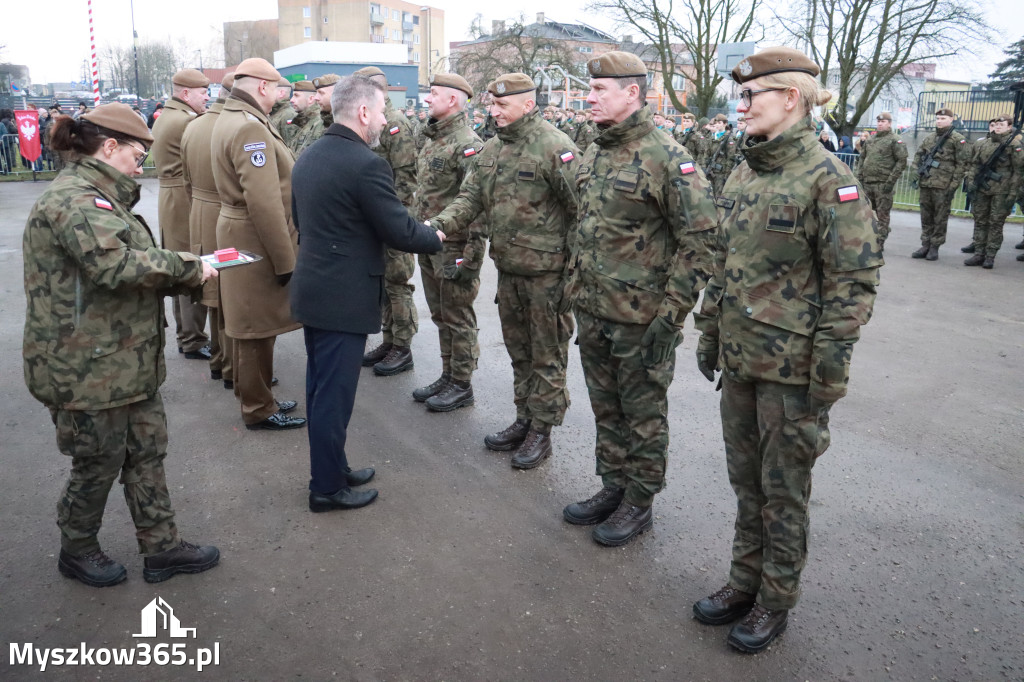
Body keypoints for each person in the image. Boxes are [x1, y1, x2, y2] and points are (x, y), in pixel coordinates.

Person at [692, 47, 881, 653]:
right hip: (743, 360)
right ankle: (743, 581)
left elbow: (853, 287)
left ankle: (775, 598)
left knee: (783, 489)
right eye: (740, 96)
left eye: (751, 97)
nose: (740, 106)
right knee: (746, 481)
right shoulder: (747, 171)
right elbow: (725, 264)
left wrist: (828, 371)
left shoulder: (831, 181)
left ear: (791, 99)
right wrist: (710, 331)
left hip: (793, 373)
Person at [23, 103, 221, 587]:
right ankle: (78, 546)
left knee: (146, 451)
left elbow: (129, 262)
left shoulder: (100, 196)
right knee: (98, 462)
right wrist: (188, 267)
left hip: (119, 359)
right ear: (109, 147)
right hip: (85, 367)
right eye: (137, 152)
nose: (141, 163)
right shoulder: (77, 200)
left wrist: (180, 267)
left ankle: (162, 547)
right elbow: (114, 267)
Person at [562, 52, 717, 546]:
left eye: (599, 90)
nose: (589, 97)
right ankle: (613, 486)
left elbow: (701, 244)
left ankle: (640, 501)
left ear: (632, 93)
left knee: (642, 413)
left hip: (641, 318)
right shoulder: (596, 150)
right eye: (591, 89)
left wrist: (670, 318)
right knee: (606, 407)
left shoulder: (669, 158)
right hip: (593, 308)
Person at [290, 75, 444, 513]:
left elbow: (301, 218)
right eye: (379, 110)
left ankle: (333, 468)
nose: (382, 119)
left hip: (315, 288)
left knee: (322, 392)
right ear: (362, 113)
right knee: (333, 399)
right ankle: (326, 488)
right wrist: (436, 234)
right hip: (343, 297)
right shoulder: (366, 163)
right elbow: (399, 229)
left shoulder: (311, 154)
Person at [430, 73, 579, 466]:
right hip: (510, 272)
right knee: (520, 353)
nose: (493, 112)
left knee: (547, 356)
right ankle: (524, 419)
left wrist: (574, 276)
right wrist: (435, 226)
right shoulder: (493, 149)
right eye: (491, 105)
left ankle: (542, 432)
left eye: (502, 106)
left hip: (548, 276)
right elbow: (469, 198)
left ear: (527, 105)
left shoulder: (555, 147)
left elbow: (581, 214)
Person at [212, 58, 305, 430]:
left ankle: (258, 396)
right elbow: (264, 203)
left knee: (250, 322)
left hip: (240, 232)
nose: (280, 95)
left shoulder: (232, 118)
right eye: (277, 88)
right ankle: (257, 407)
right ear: (263, 87)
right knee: (254, 327)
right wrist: (285, 261)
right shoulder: (250, 129)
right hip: (254, 238)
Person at [406, 73, 486, 413]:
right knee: (440, 314)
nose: (427, 98)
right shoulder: (433, 138)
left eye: (434, 93)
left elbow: (477, 203)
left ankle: (462, 383)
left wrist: (471, 256)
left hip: (454, 245)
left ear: (453, 100)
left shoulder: (469, 144)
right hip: (429, 241)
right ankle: (448, 373)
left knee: (458, 316)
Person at [350, 66, 420, 377]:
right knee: (384, 284)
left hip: (393, 216)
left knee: (398, 283)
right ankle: (389, 341)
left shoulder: (395, 125)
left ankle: (402, 347)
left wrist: (393, 218)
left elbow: (406, 179)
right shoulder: (368, 119)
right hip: (376, 216)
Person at [152, 69, 212, 363]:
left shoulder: (168, 116)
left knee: (178, 266)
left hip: (171, 198)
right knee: (192, 269)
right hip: (184, 198)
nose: (207, 97)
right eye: (203, 92)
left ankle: (186, 336)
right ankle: (193, 339)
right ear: (185, 93)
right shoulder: (187, 121)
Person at [181, 73, 236, 389]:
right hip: (226, 217)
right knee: (233, 296)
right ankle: (231, 366)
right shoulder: (233, 127)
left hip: (200, 213)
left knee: (213, 295)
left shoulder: (194, 125)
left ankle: (218, 360)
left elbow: (186, 181)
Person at [963, 113, 1024, 269]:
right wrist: (971, 181)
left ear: (1009, 127)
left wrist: (1012, 193)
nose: (997, 127)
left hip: (1001, 191)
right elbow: (975, 164)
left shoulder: (1014, 145)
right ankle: (979, 253)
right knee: (980, 221)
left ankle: (990, 255)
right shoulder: (984, 144)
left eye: (1001, 125)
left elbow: (1019, 171)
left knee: (995, 223)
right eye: (996, 125)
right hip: (982, 188)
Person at [912, 107, 970, 261]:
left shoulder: (958, 139)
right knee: (926, 216)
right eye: (938, 119)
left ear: (951, 120)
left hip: (943, 185)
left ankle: (934, 247)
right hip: (927, 183)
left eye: (943, 119)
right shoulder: (929, 138)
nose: (939, 121)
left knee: (940, 218)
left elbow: (962, 164)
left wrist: (953, 185)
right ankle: (925, 244)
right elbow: (919, 155)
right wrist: (915, 172)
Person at [856, 111, 908, 251]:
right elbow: (862, 158)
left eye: (883, 122)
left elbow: (901, 161)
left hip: (883, 184)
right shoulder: (871, 140)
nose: (880, 124)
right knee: (866, 214)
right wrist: (859, 177)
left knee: (882, 215)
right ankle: (867, 240)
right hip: (867, 183)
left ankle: (879, 242)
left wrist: (890, 181)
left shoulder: (895, 140)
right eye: (878, 121)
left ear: (889, 123)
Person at [287, 80, 320, 155]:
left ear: (311, 99)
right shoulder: (303, 121)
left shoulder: (318, 123)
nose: (291, 100)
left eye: (296, 95)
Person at [269, 77, 298, 147]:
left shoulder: (289, 115)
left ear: (281, 93)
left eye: (270, 89)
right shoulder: (273, 113)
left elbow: (289, 146)